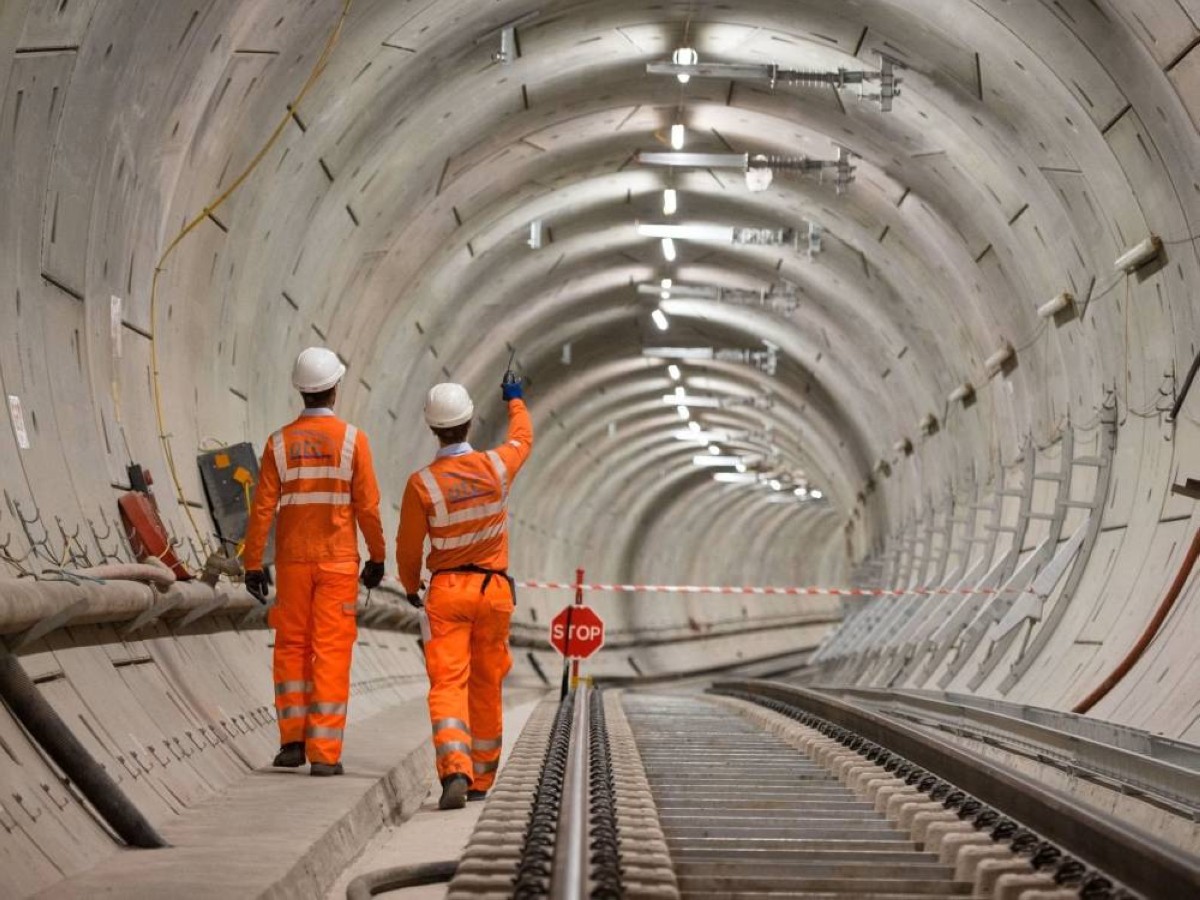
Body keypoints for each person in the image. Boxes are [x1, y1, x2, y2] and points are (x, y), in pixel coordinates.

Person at [243, 347, 387, 776]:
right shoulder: (352, 440)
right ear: (335, 389)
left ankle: (291, 743)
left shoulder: (278, 443)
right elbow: (369, 507)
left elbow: (262, 509)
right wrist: (377, 556)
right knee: (330, 652)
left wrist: (253, 563)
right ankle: (324, 754)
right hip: (338, 563)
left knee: (291, 649)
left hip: (292, 564)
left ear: (301, 391)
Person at [396, 373, 532, 809]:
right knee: (487, 683)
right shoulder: (496, 466)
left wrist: (408, 584)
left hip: (447, 592)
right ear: (470, 422)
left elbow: (408, 545)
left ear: (432, 428)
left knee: (448, 684)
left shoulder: (422, 484)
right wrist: (515, 400)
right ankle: (482, 777)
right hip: (493, 592)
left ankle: (455, 767)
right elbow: (523, 439)